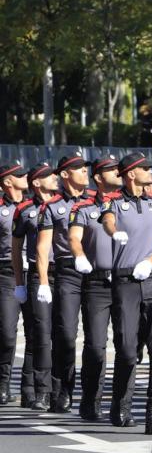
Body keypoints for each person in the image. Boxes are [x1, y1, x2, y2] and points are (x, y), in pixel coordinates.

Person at [101, 153, 152, 434]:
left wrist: (150, 261)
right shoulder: (114, 202)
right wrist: (113, 232)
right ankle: (121, 406)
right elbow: (108, 221)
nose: (149, 172)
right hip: (125, 282)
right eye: (144, 168)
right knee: (128, 350)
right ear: (131, 174)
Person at [36, 152, 92, 414]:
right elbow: (43, 247)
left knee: (96, 339)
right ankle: (61, 391)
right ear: (65, 174)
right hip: (66, 272)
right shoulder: (52, 206)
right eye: (79, 168)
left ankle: (92, 396)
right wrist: (44, 282)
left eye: (85, 168)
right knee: (66, 335)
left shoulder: (96, 202)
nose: (85, 172)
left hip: (95, 273)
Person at [67, 156, 122, 420]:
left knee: (128, 345)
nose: (118, 173)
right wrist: (79, 256)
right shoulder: (83, 208)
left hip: (127, 281)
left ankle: (121, 404)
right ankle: (91, 401)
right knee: (96, 345)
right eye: (111, 170)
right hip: (97, 282)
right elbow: (74, 237)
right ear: (99, 178)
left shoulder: (131, 206)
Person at [11, 162, 57, 410]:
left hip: (64, 274)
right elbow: (16, 249)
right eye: (48, 176)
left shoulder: (64, 206)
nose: (55, 179)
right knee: (38, 334)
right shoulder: (25, 210)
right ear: (36, 182)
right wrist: (20, 283)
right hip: (36, 276)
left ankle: (56, 389)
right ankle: (38, 390)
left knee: (59, 335)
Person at [0, 162, 29, 406]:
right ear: (7, 182)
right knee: (8, 334)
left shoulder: (35, 205)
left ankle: (30, 389)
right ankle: (3, 383)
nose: (25, 177)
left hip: (37, 272)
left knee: (39, 333)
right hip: (7, 274)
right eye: (19, 175)